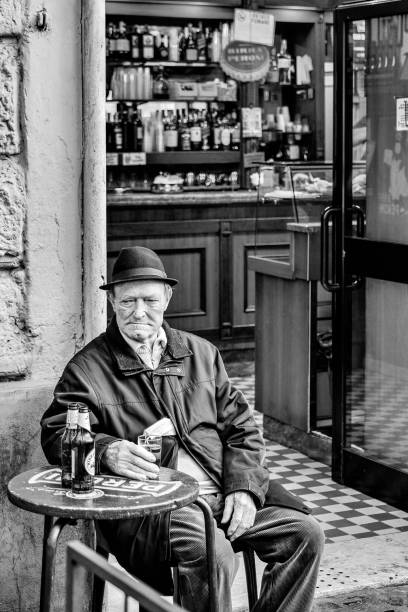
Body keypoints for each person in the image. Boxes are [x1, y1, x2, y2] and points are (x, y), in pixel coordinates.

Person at [41, 246, 324, 612]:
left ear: (168, 298)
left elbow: (242, 427)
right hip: (155, 508)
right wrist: (108, 449)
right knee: (212, 553)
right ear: (112, 301)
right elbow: (55, 433)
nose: (138, 312)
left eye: (149, 300)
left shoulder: (201, 353)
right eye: (127, 301)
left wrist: (244, 487)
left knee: (305, 535)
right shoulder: (88, 368)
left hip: (222, 490)